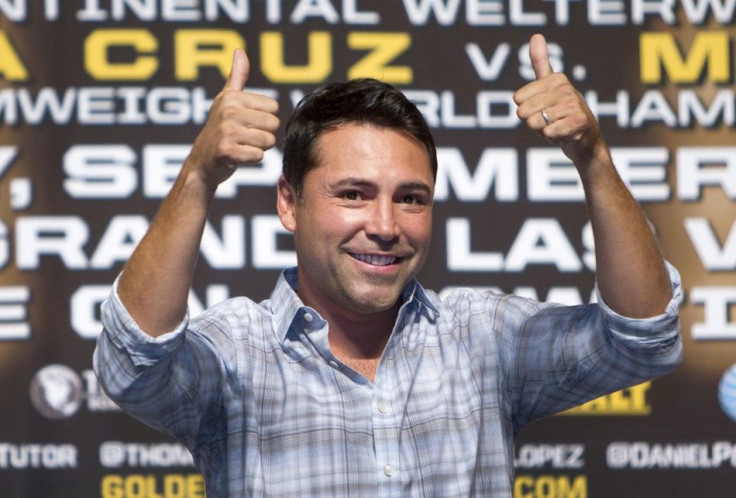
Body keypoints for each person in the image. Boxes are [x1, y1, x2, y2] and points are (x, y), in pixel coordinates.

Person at [94, 34, 682, 497]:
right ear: (288, 202)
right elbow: (130, 365)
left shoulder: (481, 338)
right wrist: (198, 177)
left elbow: (643, 339)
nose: (385, 224)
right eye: (352, 193)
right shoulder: (235, 353)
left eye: (411, 197)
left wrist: (594, 158)